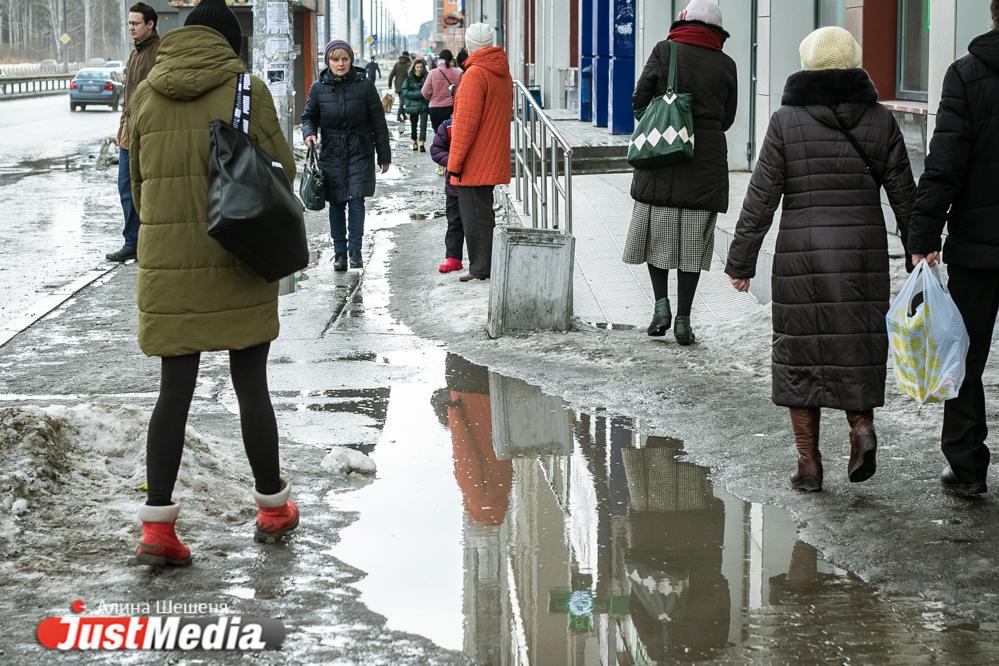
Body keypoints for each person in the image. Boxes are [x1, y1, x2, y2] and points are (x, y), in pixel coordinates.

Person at [128, 0, 299, 566]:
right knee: (251, 384)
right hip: (238, 257)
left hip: (169, 265)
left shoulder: (146, 94)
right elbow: (281, 173)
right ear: (231, 41)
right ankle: (273, 508)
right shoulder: (247, 89)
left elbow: (137, 182)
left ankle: (157, 529)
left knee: (172, 393)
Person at [724, 27, 916, 492]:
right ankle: (860, 427)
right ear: (852, 63)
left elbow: (761, 195)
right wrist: (918, 251)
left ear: (808, 64)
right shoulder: (880, 120)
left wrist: (741, 261)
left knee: (800, 353)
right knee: (856, 344)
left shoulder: (786, 121)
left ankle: (808, 463)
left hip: (801, 255)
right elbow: (905, 195)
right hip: (861, 255)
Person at [908, 4, 999, 497]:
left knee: (966, 355)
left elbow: (945, 160)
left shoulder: (966, 75)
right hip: (975, 244)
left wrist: (923, 236)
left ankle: (966, 467)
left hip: (977, 246)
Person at [622, 0, 736, 345]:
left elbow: (639, 100)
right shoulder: (726, 63)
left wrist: (663, 121)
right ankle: (684, 320)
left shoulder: (665, 50)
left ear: (683, 21)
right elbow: (727, 118)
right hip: (706, 161)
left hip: (662, 158)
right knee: (691, 246)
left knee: (655, 236)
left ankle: (661, 307)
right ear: (717, 30)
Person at [303, 40, 391, 272]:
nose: (340, 64)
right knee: (336, 203)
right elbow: (309, 116)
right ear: (328, 61)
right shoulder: (318, 88)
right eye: (335, 59)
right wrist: (309, 133)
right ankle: (339, 253)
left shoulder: (365, 86)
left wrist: (384, 155)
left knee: (356, 200)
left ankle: (355, 251)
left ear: (351, 60)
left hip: (360, 149)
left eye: (344, 59)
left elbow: (378, 123)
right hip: (331, 152)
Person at [447, 23, 513, 282]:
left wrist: (455, 162)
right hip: (491, 151)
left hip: (475, 157)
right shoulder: (500, 71)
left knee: (474, 216)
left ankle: (481, 267)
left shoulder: (475, 75)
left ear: (470, 45)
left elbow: (464, 124)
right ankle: (485, 263)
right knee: (483, 212)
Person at [106, 2, 160, 263]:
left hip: (147, 135)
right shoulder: (135, 53)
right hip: (130, 134)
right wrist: (121, 130)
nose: (131, 28)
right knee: (126, 187)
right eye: (129, 23)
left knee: (144, 189)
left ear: (150, 24)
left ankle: (142, 242)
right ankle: (132, 241)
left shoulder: (156, 53)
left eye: (135, 23)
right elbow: (128, 100)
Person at [430, 117, 464, 273]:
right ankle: (453, 258)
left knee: (478, 224)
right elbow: (436, 150)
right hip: (454, 185)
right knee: (454, 223)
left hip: (478, 183)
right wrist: (453, 161)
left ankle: (483, 260)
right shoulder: (448, 126)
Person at [422, 48, 463, 134]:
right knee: (450, 134)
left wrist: (432, 98)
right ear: (451, 59)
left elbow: (425, 91)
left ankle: (439, 147)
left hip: (435, 109)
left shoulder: (432, 73)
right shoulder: (458, 73)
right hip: (451, 108)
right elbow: (461, 91)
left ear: (439, 60)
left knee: (438, 134)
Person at [402, 58, 430, 151]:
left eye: (421, 67)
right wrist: (420, 94)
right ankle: (414, 141)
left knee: (423, 125)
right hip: (413, 105)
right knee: (413, 125)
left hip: (424, 105)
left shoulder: (427, 77)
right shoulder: (409, 78)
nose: (419, 69)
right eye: (417, 67)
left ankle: (421, 143)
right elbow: (405, 92)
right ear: (414, 68)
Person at [387, 50, 412, 122]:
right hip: (405, 87)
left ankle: (404, 116)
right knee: (402, 102)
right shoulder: (409, 64)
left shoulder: (397, 64)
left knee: (402, 101)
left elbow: (391, 75)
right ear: (408, 56)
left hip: (397, 86)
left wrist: (390, 84)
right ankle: (398, 116)